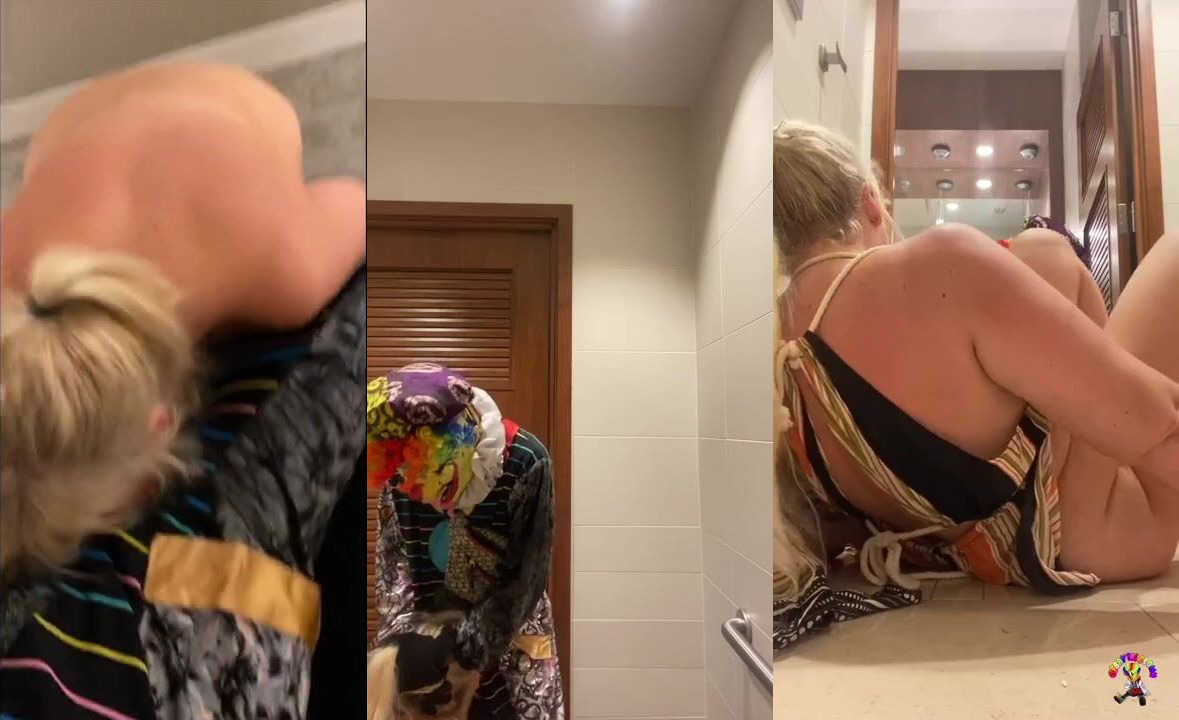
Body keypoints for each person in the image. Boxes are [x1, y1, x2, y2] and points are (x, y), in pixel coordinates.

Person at [0, 61, 366, 718]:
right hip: (70, 125)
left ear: (162, 423)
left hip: (227, 107)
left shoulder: (286, 268)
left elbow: (358, 204)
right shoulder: (15, 296)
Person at [771, 120, 1179, 649]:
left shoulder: (776, 355)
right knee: (1082, 251)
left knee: (1044, 255)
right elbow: (1161, 431)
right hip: (1102, 528)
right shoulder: (940, 266)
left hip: (983, 549)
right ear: (870, 203)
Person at [366, 363, 563, 720]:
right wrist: (405, 639)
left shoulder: (527, 461)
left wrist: (464, 646)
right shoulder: (399, 474)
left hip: (513, 635)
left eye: (427, 475)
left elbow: (527, 578)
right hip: (429, 642)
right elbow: (395, 568)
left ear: (460, 443)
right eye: (407, 478)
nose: (420, 492)